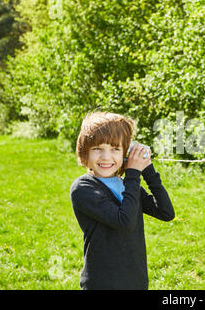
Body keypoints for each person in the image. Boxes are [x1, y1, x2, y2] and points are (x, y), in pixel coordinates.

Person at [70, 111, 175, 290]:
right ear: (84, 153)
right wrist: (133, 173)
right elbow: (124, 221)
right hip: (103, 283)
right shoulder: (83, 188)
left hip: (135, 281)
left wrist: (147, 169)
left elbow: (165, 212)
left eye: (115, 149)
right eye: (97, 149)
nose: (106, 157)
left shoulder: (125, 185)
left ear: (124, 153)